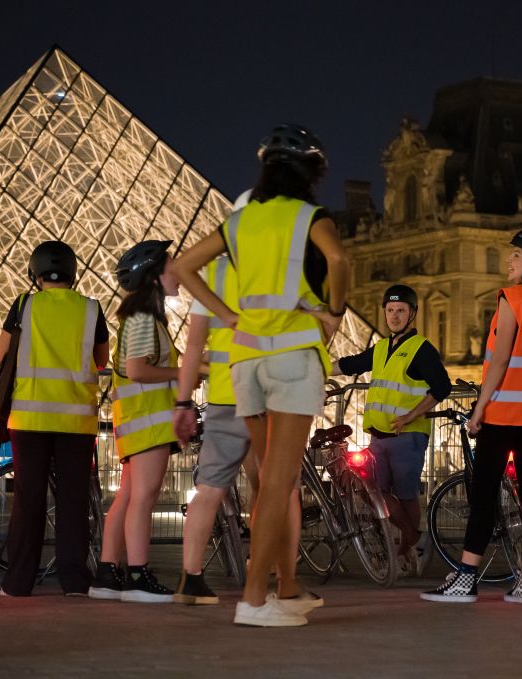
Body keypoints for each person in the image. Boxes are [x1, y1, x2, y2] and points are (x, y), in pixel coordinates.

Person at [173, 124, 350, 627]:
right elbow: (338, 259)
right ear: (309, 172)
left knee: (267, 484)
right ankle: (253, 600)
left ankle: (285, 591)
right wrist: (334, 309)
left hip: (244, 362)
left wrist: (227, 316)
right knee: (278, 481)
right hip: (292, 356)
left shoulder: (239, 223)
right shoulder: (309, 216)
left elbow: (185, 268)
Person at [421, 227, 522, 605]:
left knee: (485, 492)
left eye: (517, 256)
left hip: (505, 410)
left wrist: (480, 407)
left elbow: (501, 357)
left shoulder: (514, 298)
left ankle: (467, 577)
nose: (509, 261)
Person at [0, 241, 109, 597]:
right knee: (73, 502)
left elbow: (2, 356)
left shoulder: (23, 305)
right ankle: (74, 580)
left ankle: (17, 583)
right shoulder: (91, 309)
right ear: (73, 273)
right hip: (76, 422)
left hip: (29, 420)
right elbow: (101, 361)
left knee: (28, 501)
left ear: (35, 273)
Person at [332, 283, 451, 576]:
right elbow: (349, 364)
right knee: (372, 491)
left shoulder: (421, 348)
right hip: (378, 436)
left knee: (407, 495)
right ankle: (417, 540)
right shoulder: (383, 347)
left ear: (412, 314)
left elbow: (443, 387)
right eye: (390, 310)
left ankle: (406, 550)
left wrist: (411, 416)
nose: (394, 316)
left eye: (401, 311)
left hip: (407, 436)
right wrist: (313, 365)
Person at [88, 240, 179, 603]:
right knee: (143, 497)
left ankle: (108, 574)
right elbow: (140, 369)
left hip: (137, 420)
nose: (179, 275)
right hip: (149, 421)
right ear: (154, 277)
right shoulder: (143, 319)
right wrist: (186, 370)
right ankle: (139, 575)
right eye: (171, 267)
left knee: (128, 496)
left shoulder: (137, 319)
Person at [171, 253, 251, 605]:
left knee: (209, 489)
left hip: (223, 396)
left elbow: (192, 346)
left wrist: (183, 402)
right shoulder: (284, 260)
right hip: (270, 396)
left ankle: (191, 578)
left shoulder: (215, 271)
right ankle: (267, 577)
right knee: (275, 488)